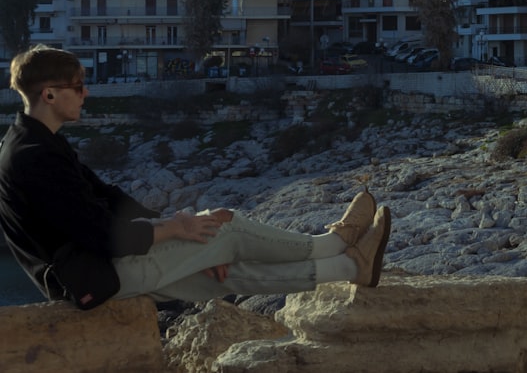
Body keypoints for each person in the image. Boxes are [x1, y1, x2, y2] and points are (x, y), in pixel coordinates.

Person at [0, 45, 391, 309]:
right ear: (49, 95)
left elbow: (108, 197)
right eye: (78, 86)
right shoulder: (34, 158)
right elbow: (100, 232)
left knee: (223, 275)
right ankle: (334, 242)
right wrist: (177, 230)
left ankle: (350, 268)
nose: (86, 94)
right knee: (228, 227)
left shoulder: (34, 142)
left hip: (87, 276)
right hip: (90, 278)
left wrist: (176, 228)